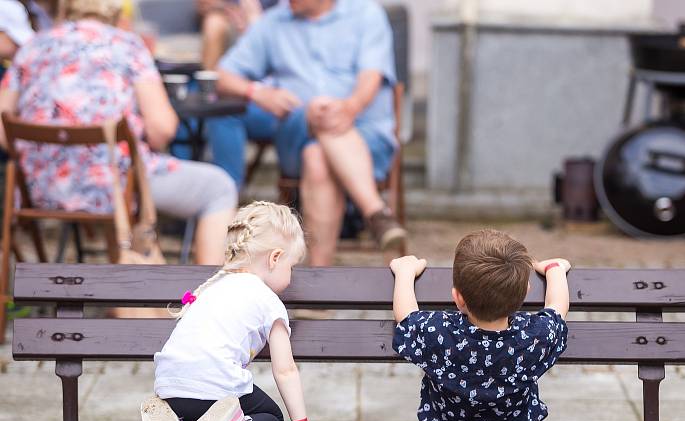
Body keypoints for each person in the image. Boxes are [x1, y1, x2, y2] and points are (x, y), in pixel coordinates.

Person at [0, 0, 237, 265]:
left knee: (124, 173)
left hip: (40, 189)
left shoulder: (32, 47)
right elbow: (163, 129)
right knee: (219, 187)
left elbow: (2, 127)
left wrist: (51, 153)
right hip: (115, 187)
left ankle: (117, 289)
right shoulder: (127, 46)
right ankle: (214, 296)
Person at [389, 230, 570, 421]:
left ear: (457, 296)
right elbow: (557, 309)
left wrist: (405, 274)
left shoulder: (440, 332)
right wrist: (555, 271)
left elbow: (405, 317)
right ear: (524, 292)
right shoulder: (534, 335)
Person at [208, 0, 407, 265]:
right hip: (296, 137)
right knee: (316, 110)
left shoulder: (366, 14)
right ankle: (376, 212)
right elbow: (221, 75)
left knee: (317, 156)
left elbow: (371, 77)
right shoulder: (274, 22)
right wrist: (258, 92)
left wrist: (349, 108)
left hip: (368, 139)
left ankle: (319, 280)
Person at [140, 201, 336, 421]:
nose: (292, 275)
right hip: (213, 387)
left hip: (169, 387)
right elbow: (285, 370)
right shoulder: (268, 301)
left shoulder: (214, 287)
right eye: (292, 266)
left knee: (206, 400)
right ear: (275, 257)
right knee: (271, 417)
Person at [196, 0, 276, 69]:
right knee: (214, 23)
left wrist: (257, 20)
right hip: (230, 20)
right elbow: (205, 4)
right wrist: (230, 9)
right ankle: (209, 83)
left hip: (271, 23)